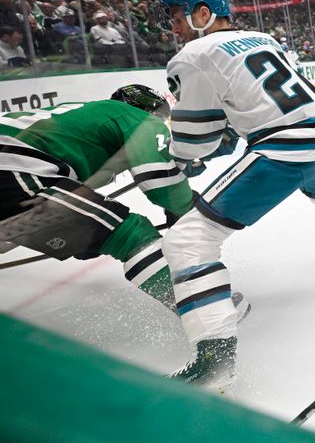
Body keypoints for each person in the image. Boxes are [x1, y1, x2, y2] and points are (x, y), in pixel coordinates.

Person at [157, 0, 315, 386]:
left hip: (283, 150)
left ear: (202, 14)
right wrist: (226, 136)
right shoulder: (262, 38)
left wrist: (179, 160)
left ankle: (216, 364)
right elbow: (250, 105)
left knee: (186, 241)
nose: (173, 28)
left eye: (177, 18)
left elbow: (198, 139)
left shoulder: (193, 54)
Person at [0, 85, 198, 313]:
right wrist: (188, 211)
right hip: (12, 165)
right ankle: (202, 307)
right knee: (130, 235)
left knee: (93, 225)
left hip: (14, 164)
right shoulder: (134, 116)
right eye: (161, 117)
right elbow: (162, 183)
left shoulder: (83, 115)